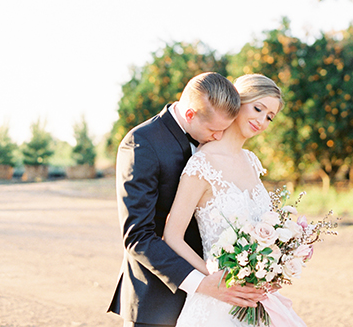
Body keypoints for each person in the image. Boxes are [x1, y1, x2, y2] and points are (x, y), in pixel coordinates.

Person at [107, 71, 264, 327]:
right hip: (157, 302)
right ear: (190, 115)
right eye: (213, 130)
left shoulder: (222, 147)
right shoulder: (141, 143)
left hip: (216, 302)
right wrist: (201, 282)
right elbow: (138, 236)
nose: (217, 137)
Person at [164, 73, 307, 327]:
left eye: (269, 117)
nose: (262, 120)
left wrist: (288, 248)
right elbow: (172, 236)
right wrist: (211, 278)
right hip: (216, 303)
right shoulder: (201, 164)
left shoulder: (251, 161)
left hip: (255, 301)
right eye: (258, 108)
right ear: (238, 101)